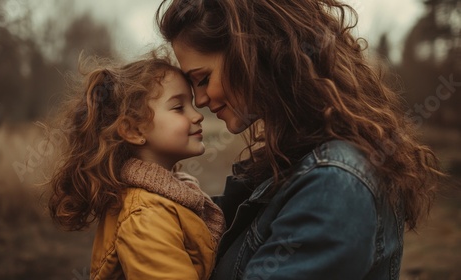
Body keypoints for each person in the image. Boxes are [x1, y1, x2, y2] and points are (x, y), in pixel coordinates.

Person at [157, 0, 442, 279]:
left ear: (254, 53)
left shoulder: (334, 182)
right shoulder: (288, 161)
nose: (201, 99)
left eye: (203, 78)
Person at [47, 54, 225, 279]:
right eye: (179, 107)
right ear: (134, 131)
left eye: (191, 103)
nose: (197, 115)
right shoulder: (145, 217)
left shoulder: (175, 194)